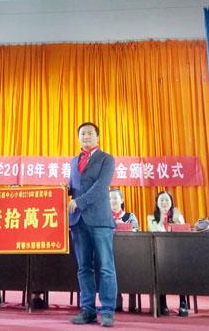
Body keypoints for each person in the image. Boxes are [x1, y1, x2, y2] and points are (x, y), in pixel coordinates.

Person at [68, 122, 117, 328]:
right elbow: (72, 187)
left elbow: (100, 187)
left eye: (90, 133)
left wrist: (79, 201)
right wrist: (59, 192)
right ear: (78, 137)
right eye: (82, 133)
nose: (86, 136)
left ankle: (107, 311)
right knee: (83, 268)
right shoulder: (74, 160)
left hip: (100, 221)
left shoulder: (107, 159)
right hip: (78, 221)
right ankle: (87, 310)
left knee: (105, 267)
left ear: (98, 137)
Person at [147, 190, 188, 317]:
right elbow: (153, 235)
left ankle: (183, 302)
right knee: (159, 270)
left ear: (171, 203)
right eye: (162, 200)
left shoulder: (178, 217)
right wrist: (161, 221)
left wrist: (177, 221)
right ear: (157, 203)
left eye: (167, 200)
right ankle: (162, 302)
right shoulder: (151, 218)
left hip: (176, 253)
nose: (164, 202)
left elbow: (183, 234)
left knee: (182, 269)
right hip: (159, 255)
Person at [108, 188, 138, 312]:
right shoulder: (104, 217)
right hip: (110, 253)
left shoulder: (130, 216)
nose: (113, 201)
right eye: (110, 198)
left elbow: (136, 232)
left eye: (115, 198)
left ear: (122, 200)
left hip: (128, 253)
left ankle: (132, 301)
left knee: (133, 268)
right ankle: (117, 299)